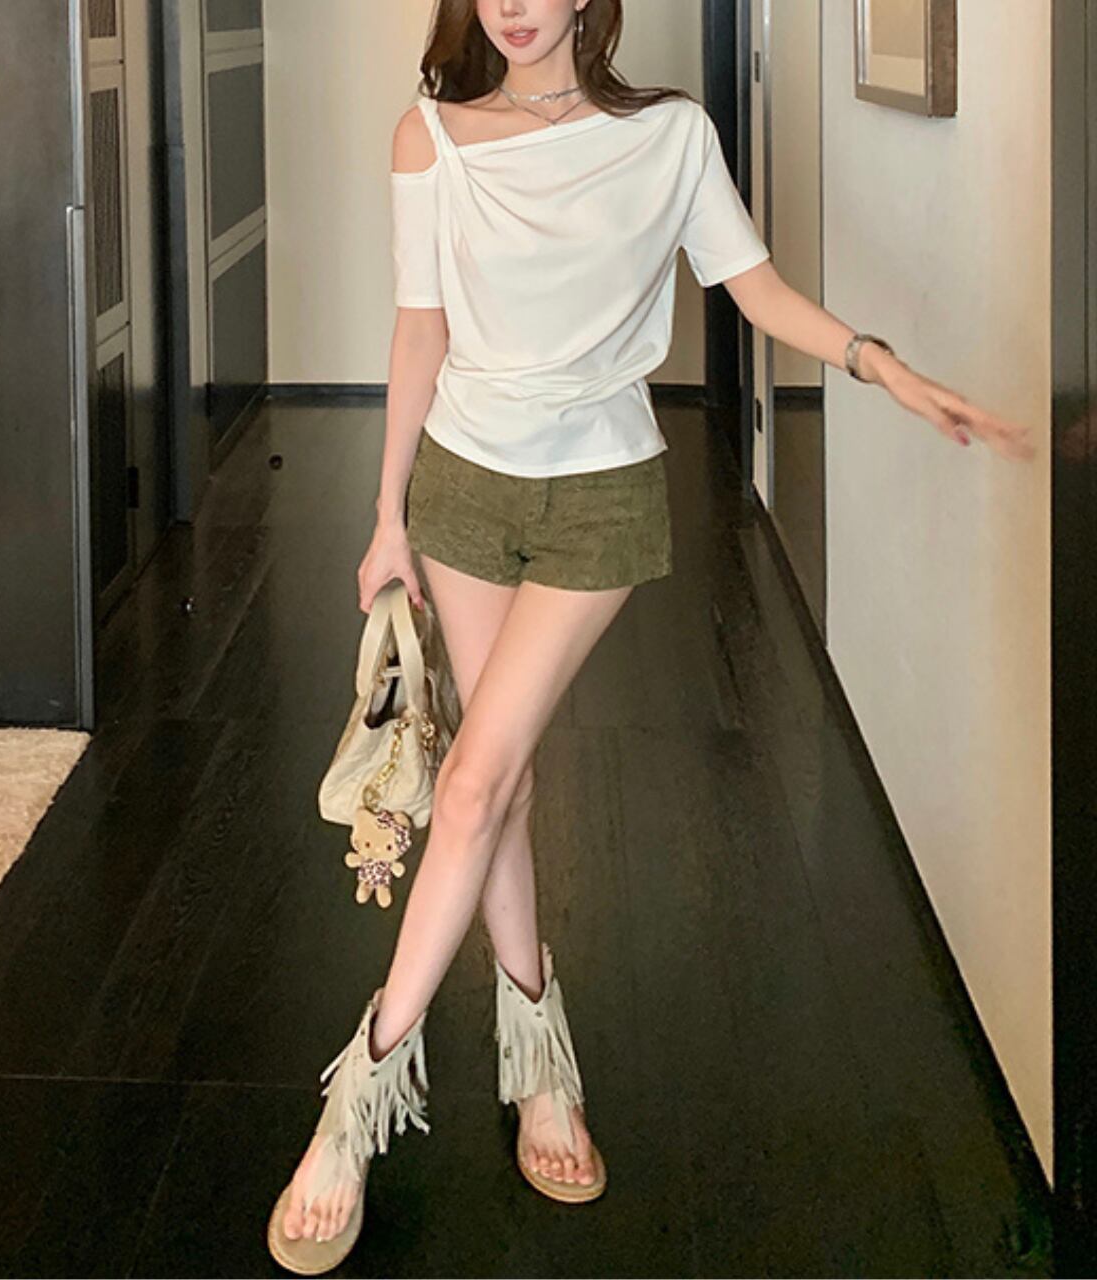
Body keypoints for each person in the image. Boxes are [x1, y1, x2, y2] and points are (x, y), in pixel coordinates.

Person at [266, 0, 1036, 1272]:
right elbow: (419, 326)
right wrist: (385, 515)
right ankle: (537, 1052)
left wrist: (878, 363)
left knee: (473, 779)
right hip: (460, 489)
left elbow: (753, 287)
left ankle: (355, 1097)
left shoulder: (668, 137)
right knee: (496, 780)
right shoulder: (429, 137)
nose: (513, 5)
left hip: (599, 494)